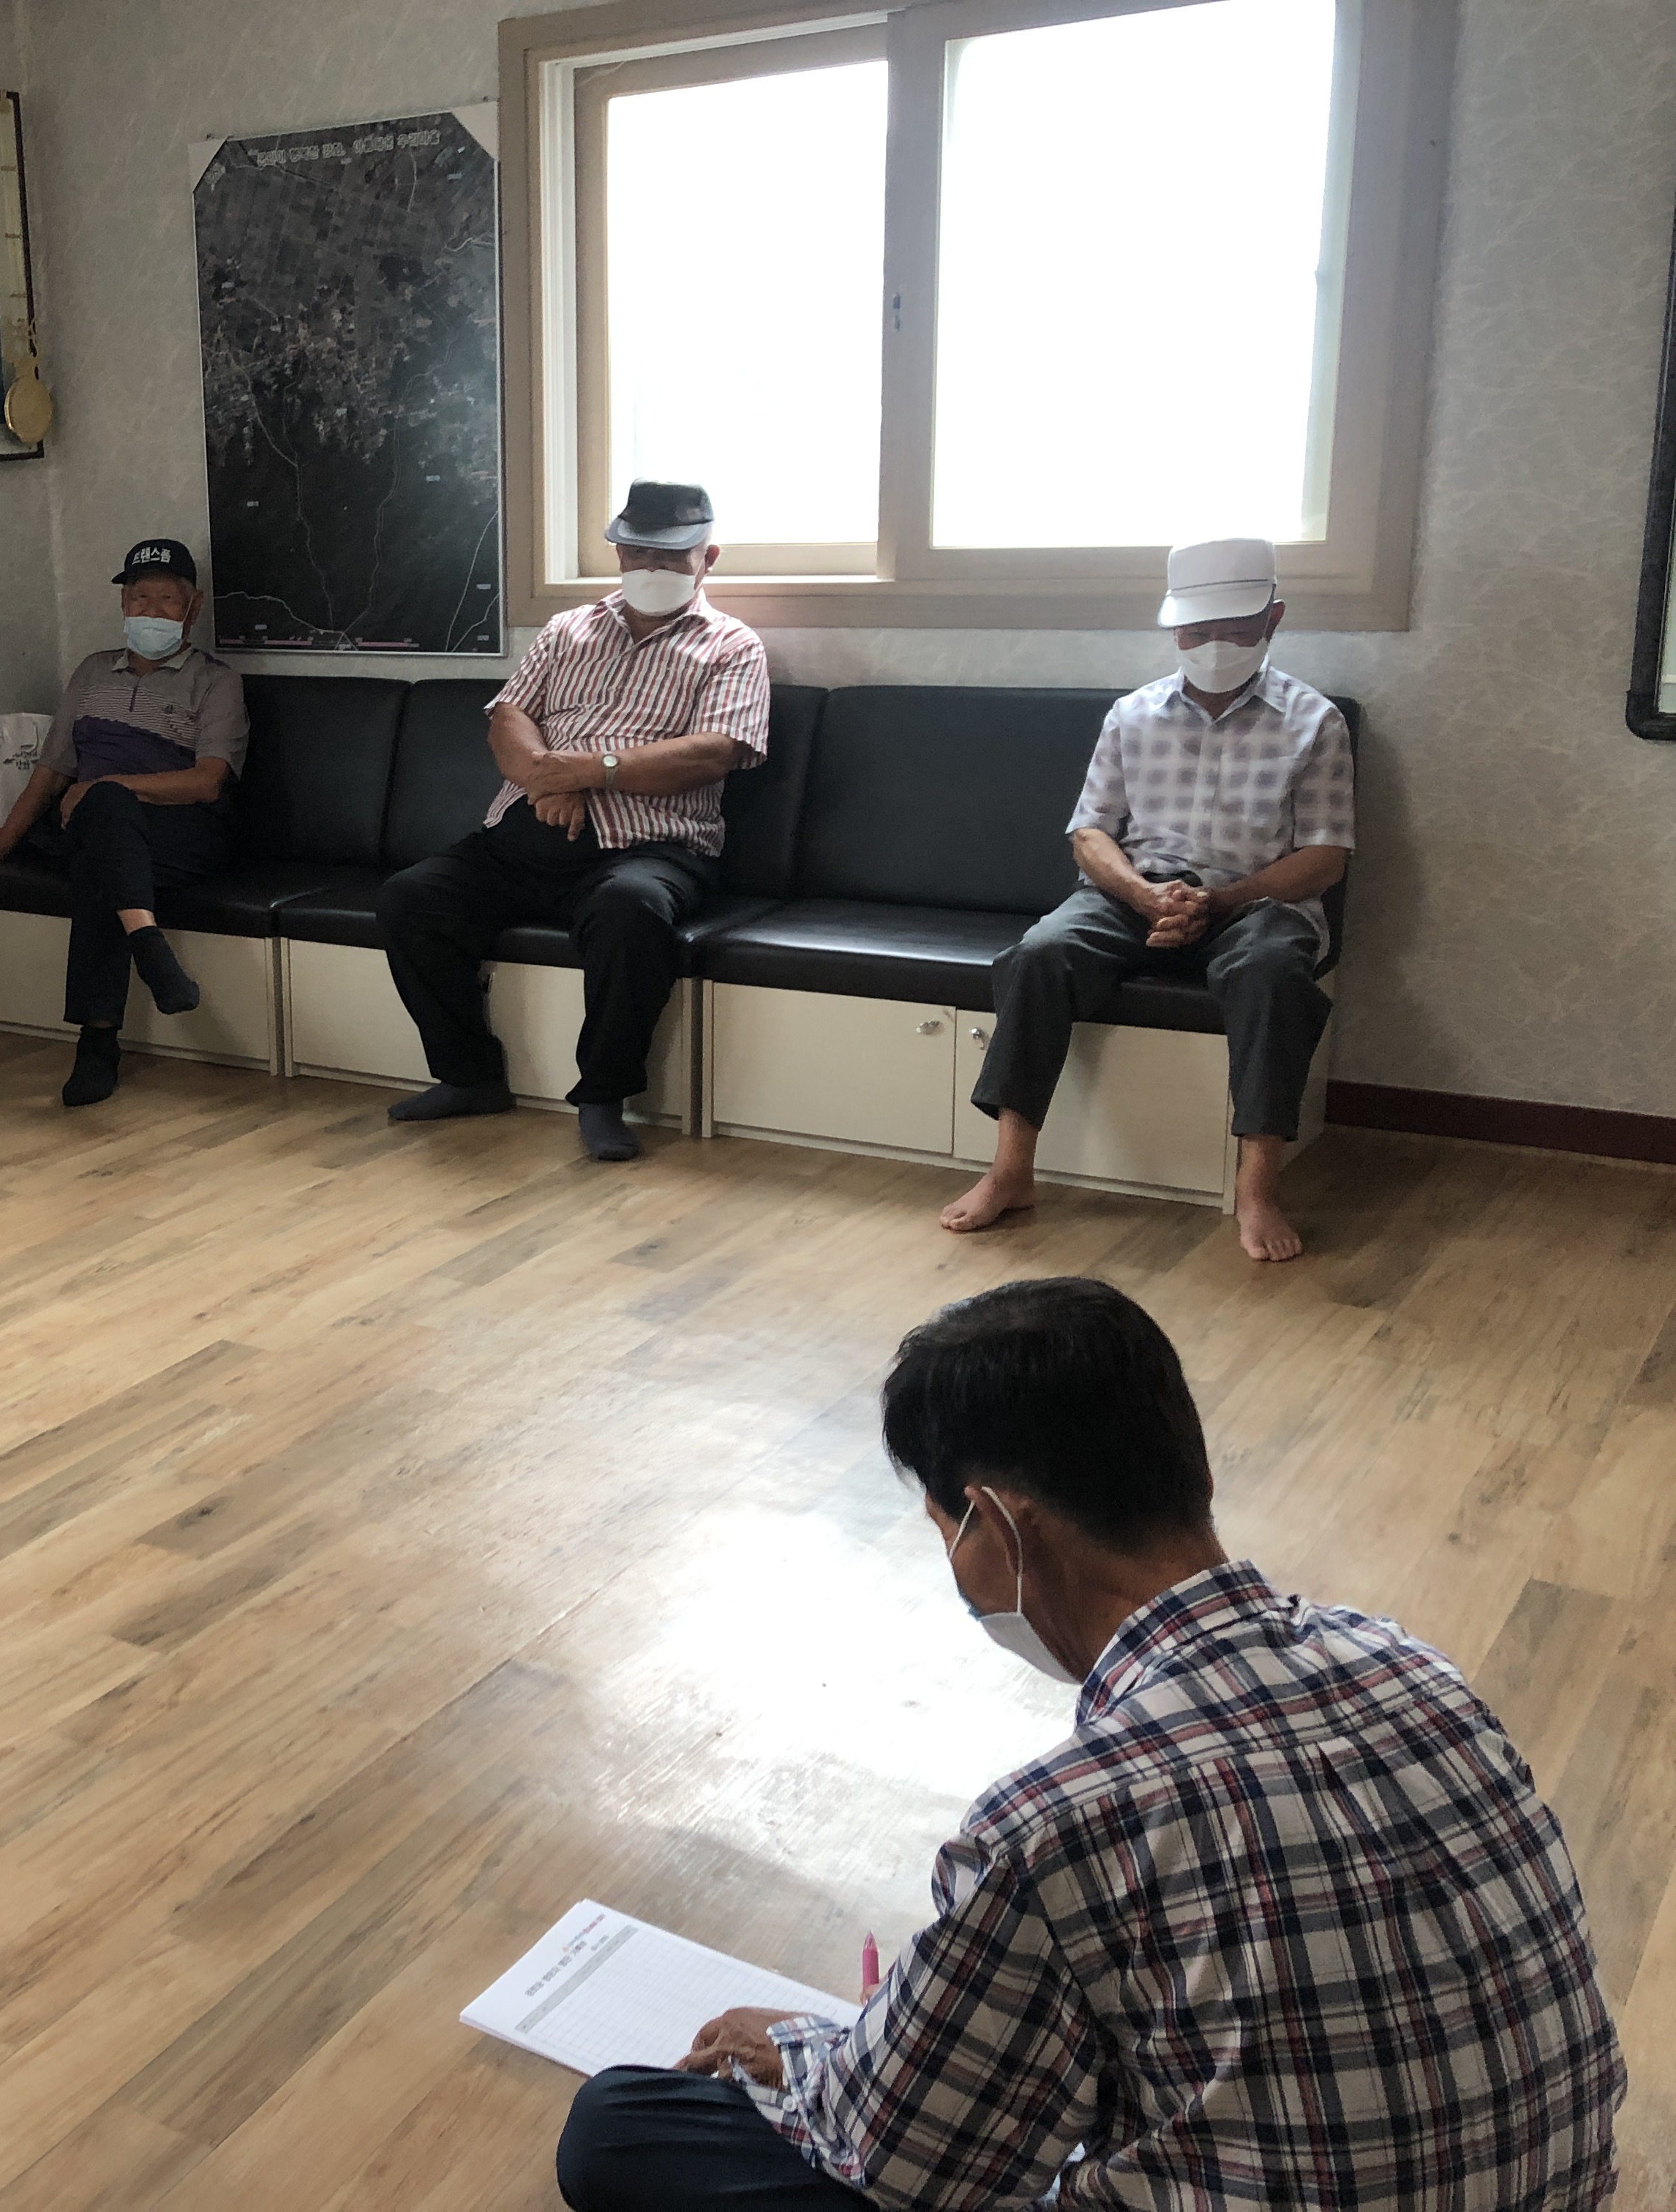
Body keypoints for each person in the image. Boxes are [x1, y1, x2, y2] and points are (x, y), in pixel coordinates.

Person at [555, 1277, 1623, 2212]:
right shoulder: (1413, 1668)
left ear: (997, 1526)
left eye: (948, 1535)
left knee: (620, 2127)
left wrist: (794, 2047)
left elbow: (903, 2163)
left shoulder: (1058, 1823)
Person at [944, 538, 1354, 1261]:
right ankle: (1011, 1172)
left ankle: (1257, 1190)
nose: (1215, 645)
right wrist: (1143, 895)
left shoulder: (1314, 721)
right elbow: (1089, 835)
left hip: (1256, 903)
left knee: (1272, 973)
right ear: (1173, 627)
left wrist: (1218, 901)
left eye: (1236, 629)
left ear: (1274, 618)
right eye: (1198, 630)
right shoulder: (1132, 714)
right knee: (1038, 955)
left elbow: (1324, 859)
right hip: (1136, 894)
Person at [376, 481, 767, 1162]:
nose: (652, 567)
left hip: (651, 847)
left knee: (630, 910)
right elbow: (509, 717)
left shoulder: (732, 645)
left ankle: (602, 1097)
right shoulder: (567, 630)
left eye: (671, 556)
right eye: (638, 552)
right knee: (411, 898)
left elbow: (714, 752)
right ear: (618, 554)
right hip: (526, 833)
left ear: (708, 558)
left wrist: (589, 772)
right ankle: (468, 1077)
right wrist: (544, 780)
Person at [0, 536, 245, 1107]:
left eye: (167, 599)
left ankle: (97, 1043)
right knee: (103, 836)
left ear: (194, 607)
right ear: (123, 604)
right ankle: (149, 949)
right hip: (99, 827)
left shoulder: (215, 681)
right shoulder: (92, 672)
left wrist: (107, 788)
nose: (150, 610)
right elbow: (50, 773)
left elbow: (207, 782)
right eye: (139, 597)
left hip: (182, 831)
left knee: (100, 835)